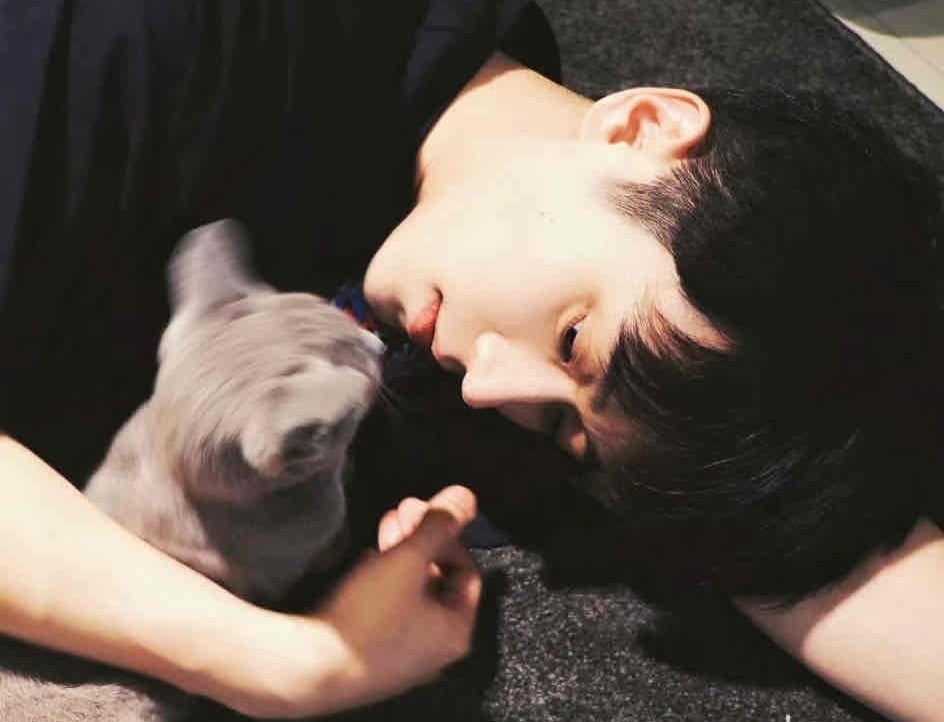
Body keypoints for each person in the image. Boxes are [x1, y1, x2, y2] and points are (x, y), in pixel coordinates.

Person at [0, 0, 941, 720]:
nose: (487, 387)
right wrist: (277, 660)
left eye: (563, 427)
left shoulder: (502, 203)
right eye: (575, 342)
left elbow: (815, 559)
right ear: (643, 126)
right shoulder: (160, 42)